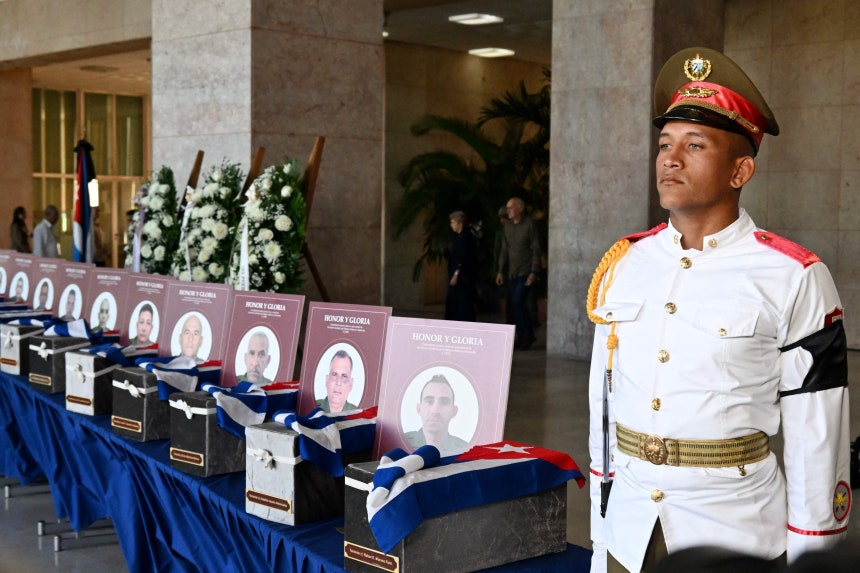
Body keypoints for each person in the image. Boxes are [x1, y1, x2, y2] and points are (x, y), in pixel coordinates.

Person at [586, 48, 850, 573]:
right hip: (630, 527)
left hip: (735, 532)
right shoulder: (625, 263)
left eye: (694, 144)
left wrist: (813, 558)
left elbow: (817, 432)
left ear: (740, 170)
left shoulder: (794, 276)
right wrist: (601, 532)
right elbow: (603, 409)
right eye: (664, 144)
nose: (670, 158)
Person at [495, 197, 541, 349]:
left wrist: (534, 272)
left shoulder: (529, 225)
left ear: (520, 208)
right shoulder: (508, 227)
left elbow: (535, 249)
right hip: (512, 272)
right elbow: (504, 250)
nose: (508, 211)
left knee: (518, 302)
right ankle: (522, 336)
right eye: (507, 208)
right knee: (514, 306)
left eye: (511, 208)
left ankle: (528, 336)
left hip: (525, 271)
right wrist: (500, 271)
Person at [404, 374, 469, 455]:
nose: (435, 411)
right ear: (419, 409)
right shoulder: (401, 443)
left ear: (454, 411)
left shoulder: (466, 451)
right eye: (429, 401)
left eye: (444, 402)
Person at [445, 210, 478, 321]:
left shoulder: (465, 238)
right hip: (460, 277)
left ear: (460, 223)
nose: (451, 225)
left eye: (453, 222)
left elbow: (464, 258)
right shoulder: (459, 237)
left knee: (463, 304)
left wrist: (456, 274)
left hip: (463, 278)